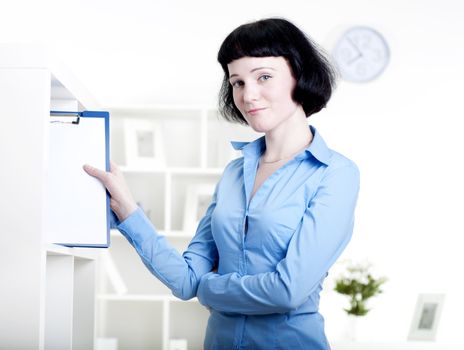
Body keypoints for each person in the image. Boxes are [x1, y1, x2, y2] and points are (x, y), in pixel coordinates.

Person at [84, 17, 360, 350]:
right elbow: (187, 281)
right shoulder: (234, 173)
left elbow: (288, 290)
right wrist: (128, 210)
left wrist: (210, 287)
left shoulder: (335, 173)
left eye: (264, 77)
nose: (248, 94)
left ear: (298, 76)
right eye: (238, 82)